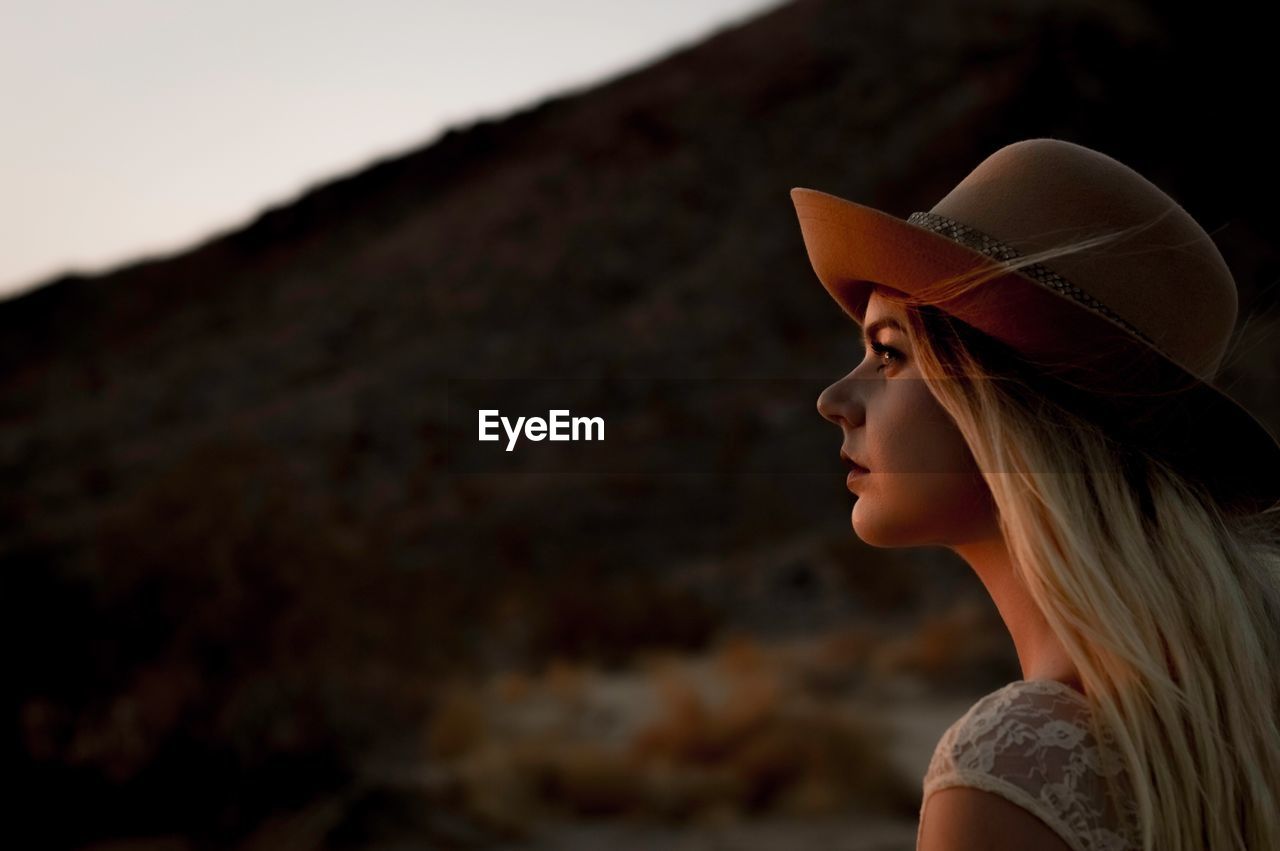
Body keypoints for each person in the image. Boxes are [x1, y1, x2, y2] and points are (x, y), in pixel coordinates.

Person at [790, 138, 1280, 851]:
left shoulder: (1014, 770)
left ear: (1012, 405)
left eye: (890, 353)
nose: (834, 398)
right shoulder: (1239, 706)